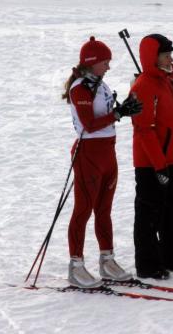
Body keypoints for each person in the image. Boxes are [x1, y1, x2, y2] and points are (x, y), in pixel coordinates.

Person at [63, 36, 142, 288]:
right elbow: (89, 124)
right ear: (91, 62)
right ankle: (76, 265)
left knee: (104, 210)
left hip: (108, 152)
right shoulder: (80, 88)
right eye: (105, 62)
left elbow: (105, 115)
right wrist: (118, 113)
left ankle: (106, 260)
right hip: (89, 154)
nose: (108, 66)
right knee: (83, 209)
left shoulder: (100, 83)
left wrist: (124, 107)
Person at [130, 34, 173, 280]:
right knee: (149, 213)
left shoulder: (164, 81)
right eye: (166, 54)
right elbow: (144, 130)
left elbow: (172, 105)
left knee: (170, 209)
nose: (171, 58)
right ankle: (147, 264)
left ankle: (171, 256)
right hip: (152, 163)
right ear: (153, 57)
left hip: (171, 159)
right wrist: (159, 165)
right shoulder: (144, 86)